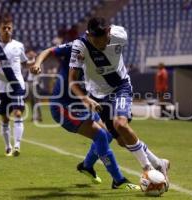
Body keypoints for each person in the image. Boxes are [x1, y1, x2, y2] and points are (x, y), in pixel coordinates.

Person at [68, 17, 170, 190]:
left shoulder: (120, 35)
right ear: (88, 35)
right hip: (98, 96)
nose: (98, 43)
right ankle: (159, 163)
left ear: (108, 32)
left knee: (120, 124)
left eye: (101, 39)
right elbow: (72, 80)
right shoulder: (80, 46)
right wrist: (84, 98)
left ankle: (148, 169)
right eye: (94, 39)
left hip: (120, 87)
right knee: (123, 141)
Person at [30, 43, 140, 190]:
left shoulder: (103, 55)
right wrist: (38, 63)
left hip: (83, 105)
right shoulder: (75, 47)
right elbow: (48, 50)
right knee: (100, 135)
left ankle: (87, 166)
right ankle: (118, 180)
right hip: (63, 106)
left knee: (108, 134)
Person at [0, 14, 34, 157]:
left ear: (12, 29)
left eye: (9, 27)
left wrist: (35, 63)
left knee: (18, 113)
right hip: (1, 88)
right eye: (3, 27)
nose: (6, 30)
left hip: (17, 85)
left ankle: (17, 145)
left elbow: (25, 63)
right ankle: (7, 146)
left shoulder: (19, 46)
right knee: (4, 118)